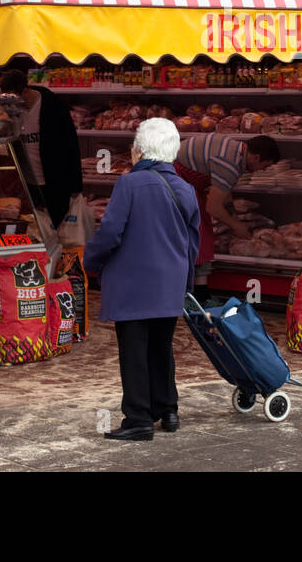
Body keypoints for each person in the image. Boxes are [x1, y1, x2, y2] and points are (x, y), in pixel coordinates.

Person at [84, 118, 200, 441]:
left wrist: (90, 260)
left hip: (133, 284)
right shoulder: (186, 189)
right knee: (162, 347)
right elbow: (193, 243)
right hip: (169, 284)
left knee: (134, 350)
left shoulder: (128, 185)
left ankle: (138, 418)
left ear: (139, 150)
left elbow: (110, 232)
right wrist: (186, 284)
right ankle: (168, 410)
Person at [174, 133, 280, 299]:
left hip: (187, 182)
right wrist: (236, 226)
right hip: (175, 179)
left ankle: (198, 291)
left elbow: (225, 191)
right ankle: (196, 294)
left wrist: (234, 217)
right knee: (199, 231)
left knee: (201, 231)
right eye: (264, 167)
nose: (262, 171)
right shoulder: (229, 164)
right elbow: (213, 207)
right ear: (256, 157)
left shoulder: (237, 151)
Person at [0, 67, 83, 228]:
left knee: (59, 231)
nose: (10, 103)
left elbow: (71, 145)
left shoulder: (53, 106)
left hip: (54, 181)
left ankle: (59, 254)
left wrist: (75, 186)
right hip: (28, 184)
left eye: (13, 98)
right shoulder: (14, 111)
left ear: (25, 91)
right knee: (35, 230)